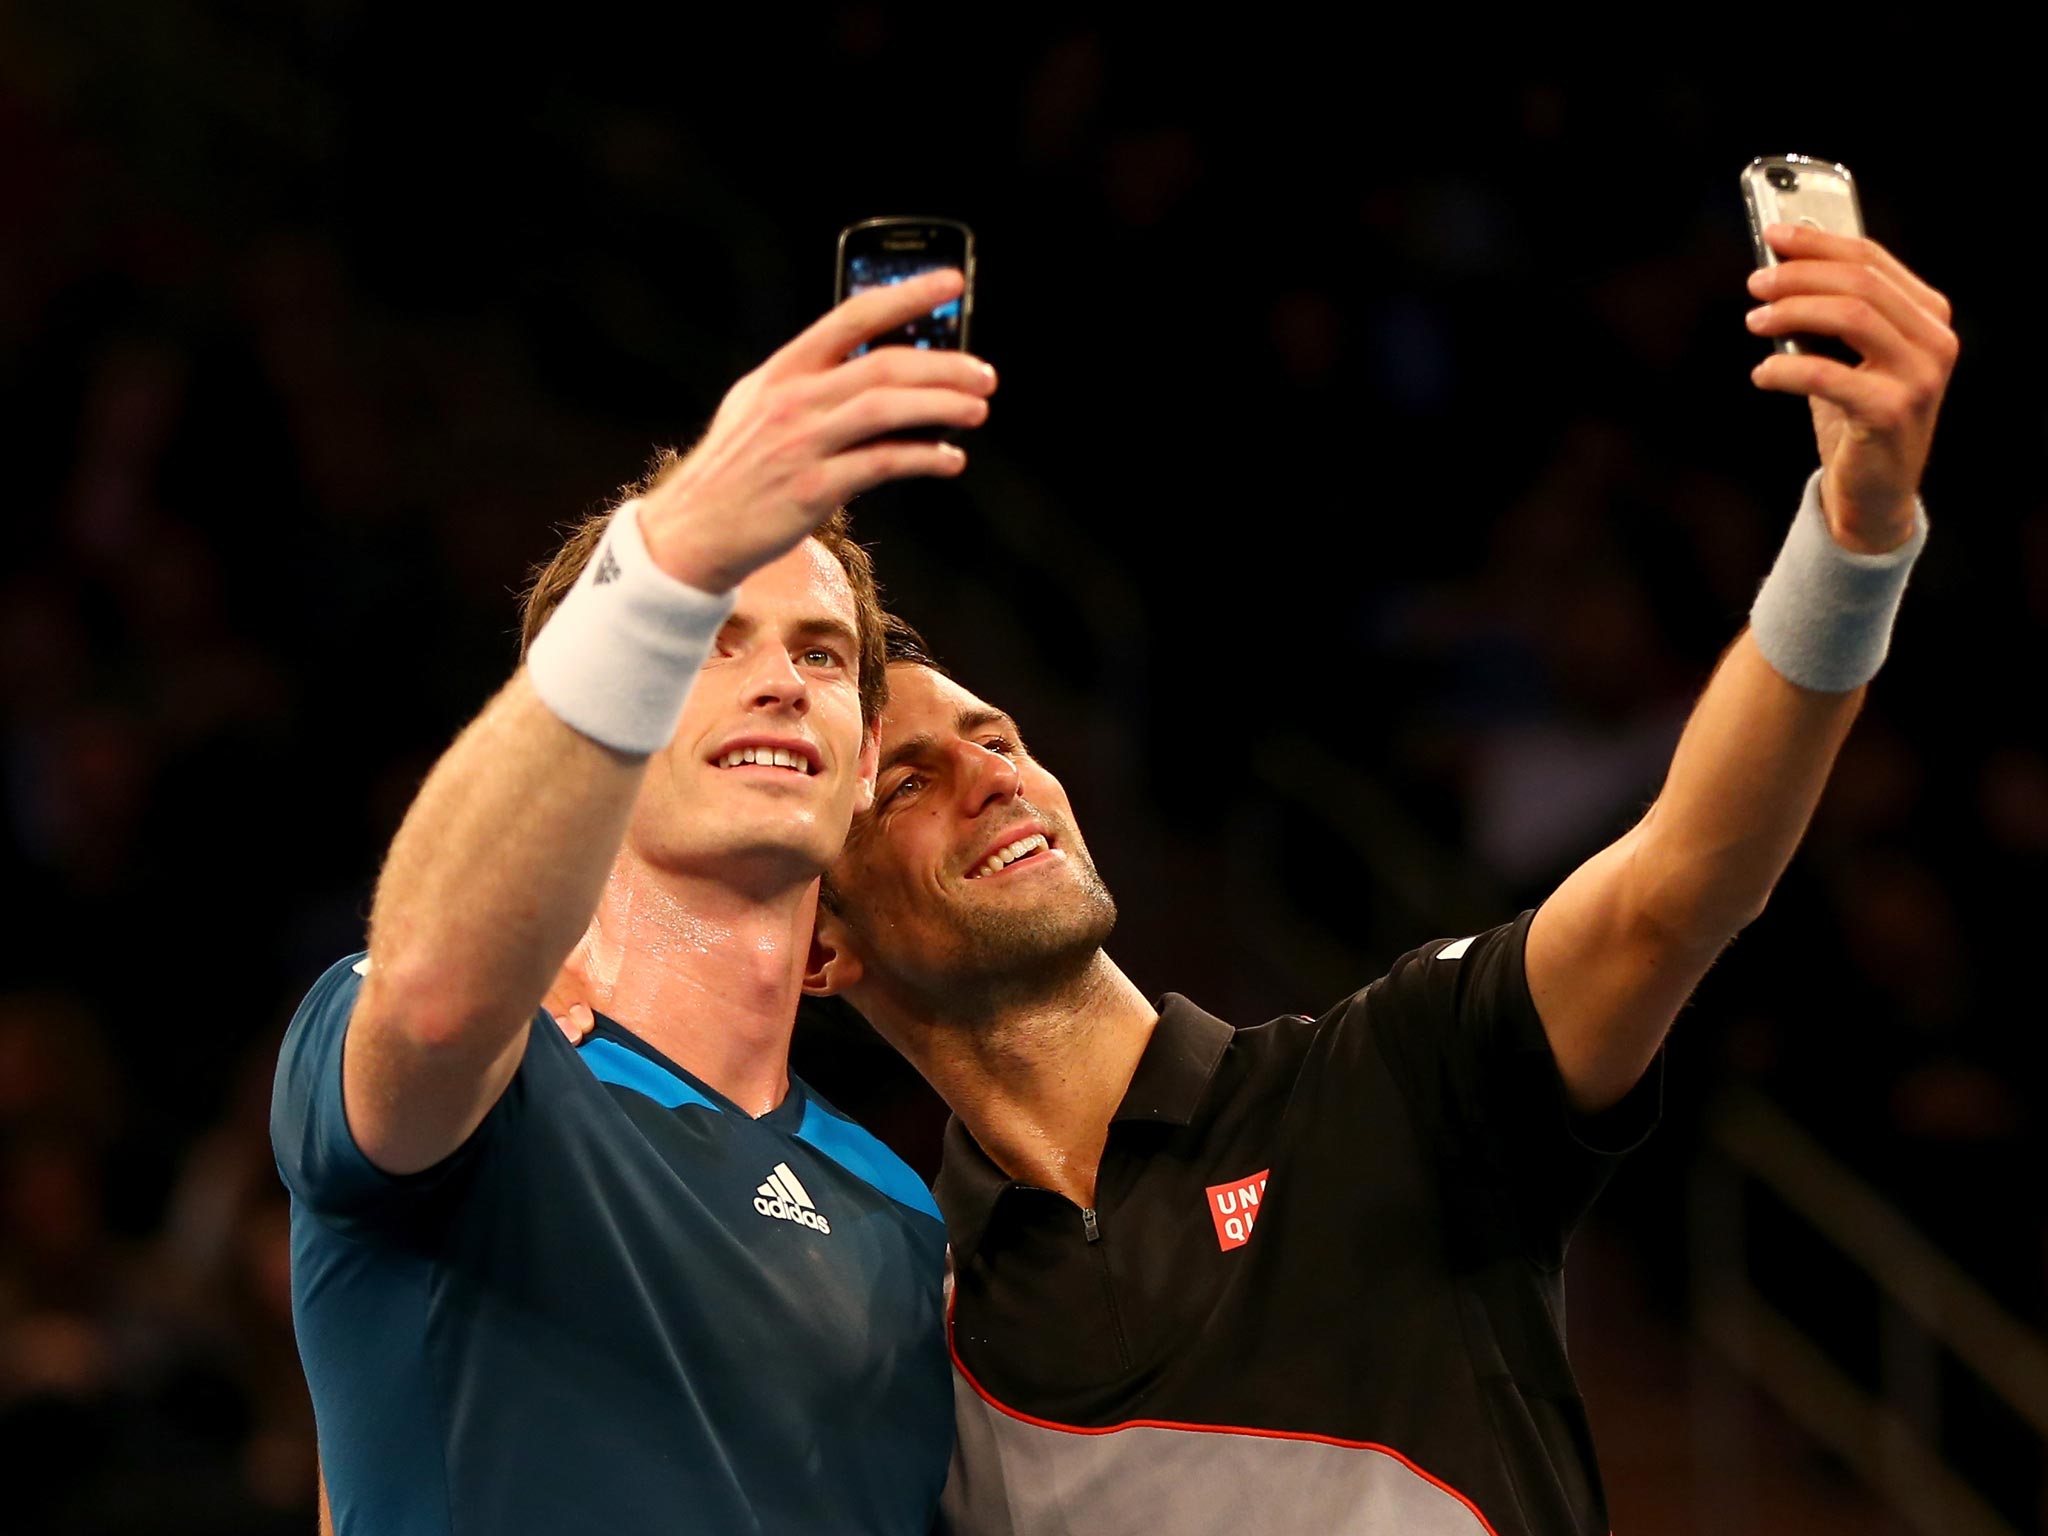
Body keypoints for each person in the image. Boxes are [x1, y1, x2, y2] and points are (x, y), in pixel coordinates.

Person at [796, 223, 1957, 1535]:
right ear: (820, 946)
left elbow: (1677, 881)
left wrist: (1857, 542)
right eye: (905, 784)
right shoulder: (915, 1334)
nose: (993, 774)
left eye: (998, 738)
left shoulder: (1392, 1083)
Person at [269, 269, 999, 1535]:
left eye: (817, 653)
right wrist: (662, 564)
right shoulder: (471, 1083)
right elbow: (438, 995)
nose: (776, 681)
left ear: (864, 754)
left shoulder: (905, 1211)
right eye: (707, 638)